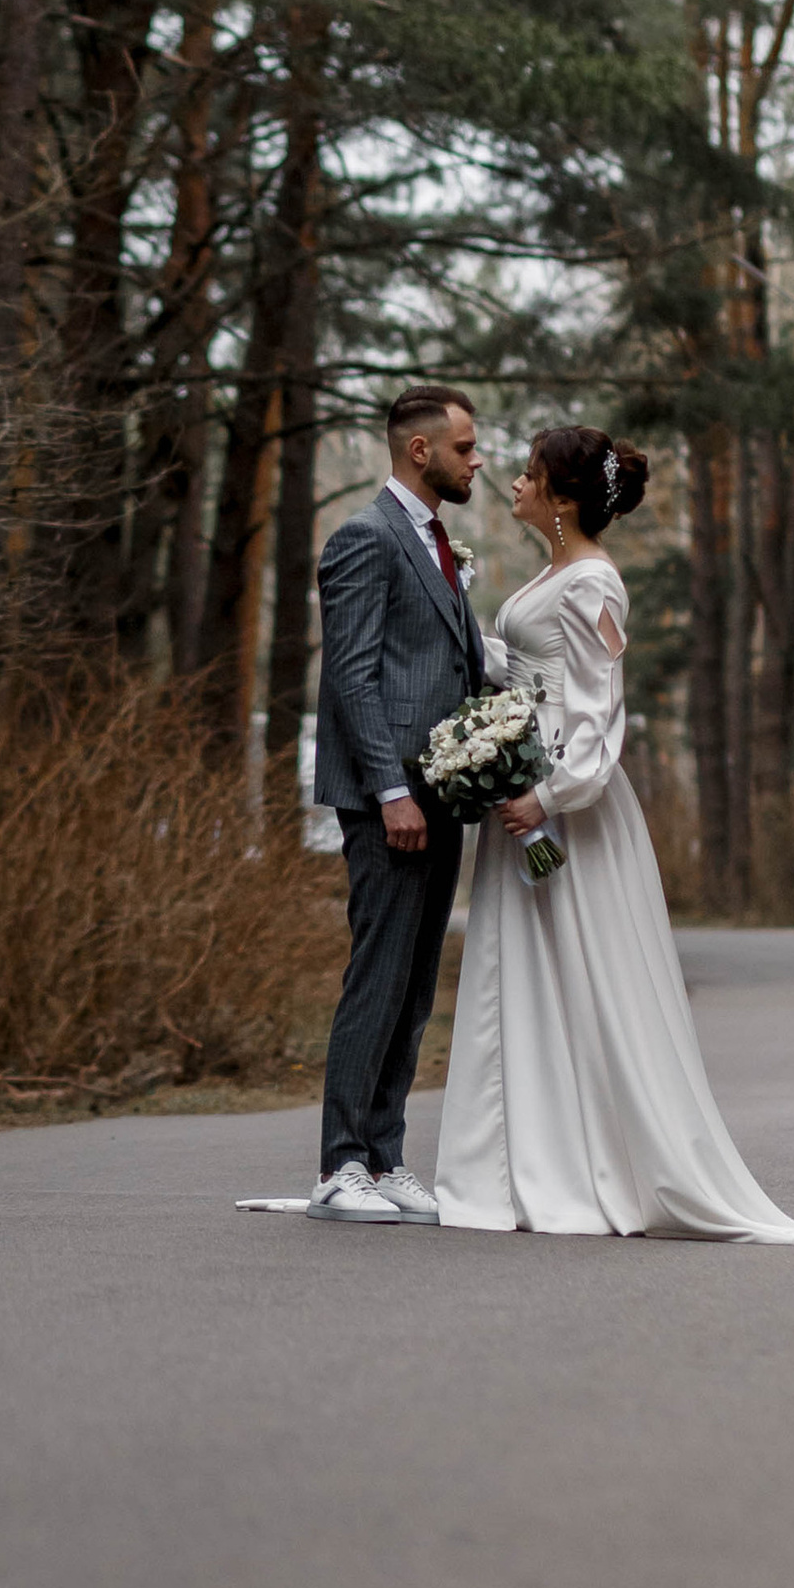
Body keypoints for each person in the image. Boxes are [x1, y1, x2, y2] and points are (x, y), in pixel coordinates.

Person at [430, 425, 794, 1247]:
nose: (512, 482)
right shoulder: (555, 575)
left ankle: (591, 1166)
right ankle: (519, 1163)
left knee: (584, 976)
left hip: (567, 814)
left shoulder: (593, 587)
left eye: (529, 474)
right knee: (524, 977)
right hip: (522, 795)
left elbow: (596, 709)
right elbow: (531, 677)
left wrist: (550, 796)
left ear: (563, 499)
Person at [299, 385, 487, 1223]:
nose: (476, 461)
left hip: (442, 796)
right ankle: (339, 1165)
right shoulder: (364, 539)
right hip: (393, 803)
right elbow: (352, 675)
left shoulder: (438, 543)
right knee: (377, 974)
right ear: (421, 451)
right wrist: (391, 791)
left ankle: (386, 1154)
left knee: (414, 986)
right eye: (466, 448)